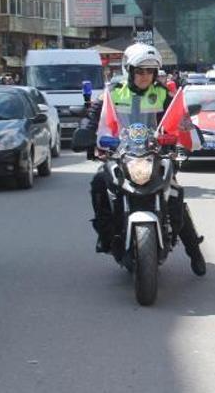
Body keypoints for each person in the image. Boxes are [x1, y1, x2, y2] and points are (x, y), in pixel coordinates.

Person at [81, 43, 206, 275]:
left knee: (175, 193)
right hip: (122, 155)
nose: (145, 76)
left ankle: (194, 251)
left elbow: (179, 117)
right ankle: (106, 236)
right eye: (140, 71)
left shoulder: (162, 94)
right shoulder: (113, 92)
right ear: (128, 70)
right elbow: (93, 116)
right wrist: (85, 133)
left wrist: (190, 132)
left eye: (150, 71)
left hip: (155, 155)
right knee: (99, 184)